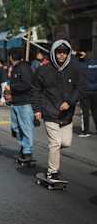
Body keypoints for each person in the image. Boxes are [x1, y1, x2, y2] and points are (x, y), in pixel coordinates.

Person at [32, 40, 80, 181]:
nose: (61, 55)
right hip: (49, 112)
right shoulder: (43, 70)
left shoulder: (74, 69)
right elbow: (35, 90)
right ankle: (52, 172)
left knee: (65, 143)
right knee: (55, 142)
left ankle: (53, 157)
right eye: (58, 52)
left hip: (67, 115)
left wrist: (70, 102)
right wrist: (37, 109)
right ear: (53, 52)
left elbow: (79, 89)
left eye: (64, 52)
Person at [5, 48, 34, 162]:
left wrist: (11, 88)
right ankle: (24, 147)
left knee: (26, 128)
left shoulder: (24, 67)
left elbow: (27, 84)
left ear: (10, 57)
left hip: (25, 103)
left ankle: (27, 152)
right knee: (16, 128)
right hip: (15, 102)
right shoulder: (15, 68)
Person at [77, 51, 97, 137]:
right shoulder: (95, 63)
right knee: (95, 111)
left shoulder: (79, 64)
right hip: (95, 90)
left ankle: (85, 131)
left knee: (84, 112)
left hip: (84, 91)